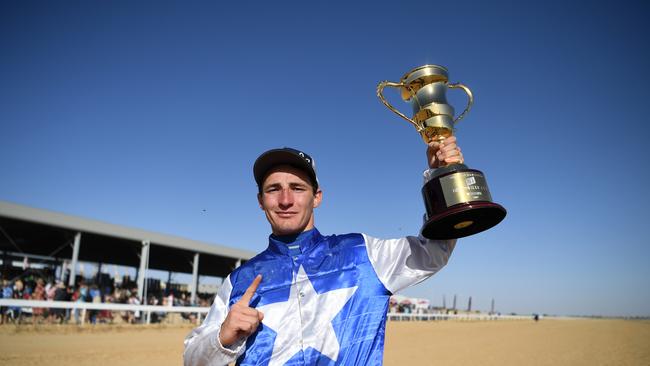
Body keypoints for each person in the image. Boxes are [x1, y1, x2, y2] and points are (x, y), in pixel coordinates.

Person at [184, 137, 464, 365]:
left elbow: (434, 251)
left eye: (297, 188)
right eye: (273, 189)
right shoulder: (239, 281)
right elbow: (193, 361)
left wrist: (443, 177)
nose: (285, 200)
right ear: (260, 201)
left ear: (317, 197)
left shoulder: (362, 252)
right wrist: (223, 337)